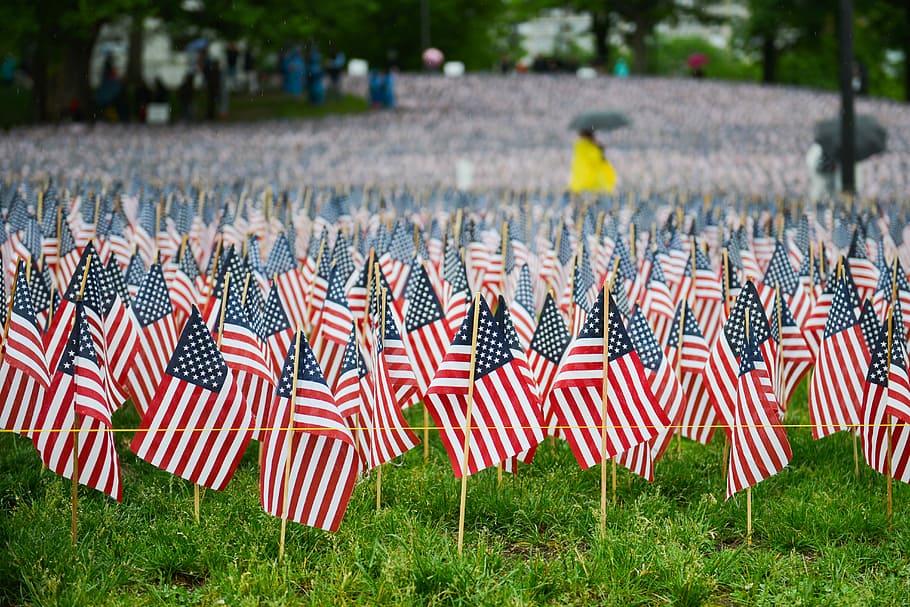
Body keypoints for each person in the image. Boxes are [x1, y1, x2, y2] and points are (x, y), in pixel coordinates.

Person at [569, 128, 617, 194]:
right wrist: (600, 150)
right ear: (591, 135)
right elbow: (599, 165)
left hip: (578, 185)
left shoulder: (579, 147)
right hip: (592, 186)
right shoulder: (591, 148)